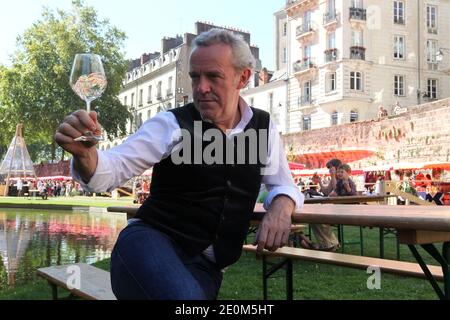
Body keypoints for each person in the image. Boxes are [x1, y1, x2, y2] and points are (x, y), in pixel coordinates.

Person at [54, 28, 303, 300]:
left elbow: (283, 184)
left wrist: (282, 205)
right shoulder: (171, 124)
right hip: (148, 245)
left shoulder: (263, 128)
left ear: (243, 77)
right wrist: (85, 155)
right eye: (195, 76)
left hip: (207, 267)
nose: (201, 87)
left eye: (213, 76)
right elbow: (113, 169)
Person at [299, 159, 341, 252]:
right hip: (333, 206)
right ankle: (328, 243)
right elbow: (326, 191)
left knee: (316, 217)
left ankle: (329, 243)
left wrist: (333, 175)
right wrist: (320, 182)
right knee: (312, 216)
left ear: (336, 167)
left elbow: (336, 190)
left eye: (330, 168)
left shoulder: (342, 176)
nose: (329, 170)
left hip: (341, 208)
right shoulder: (333, 178)